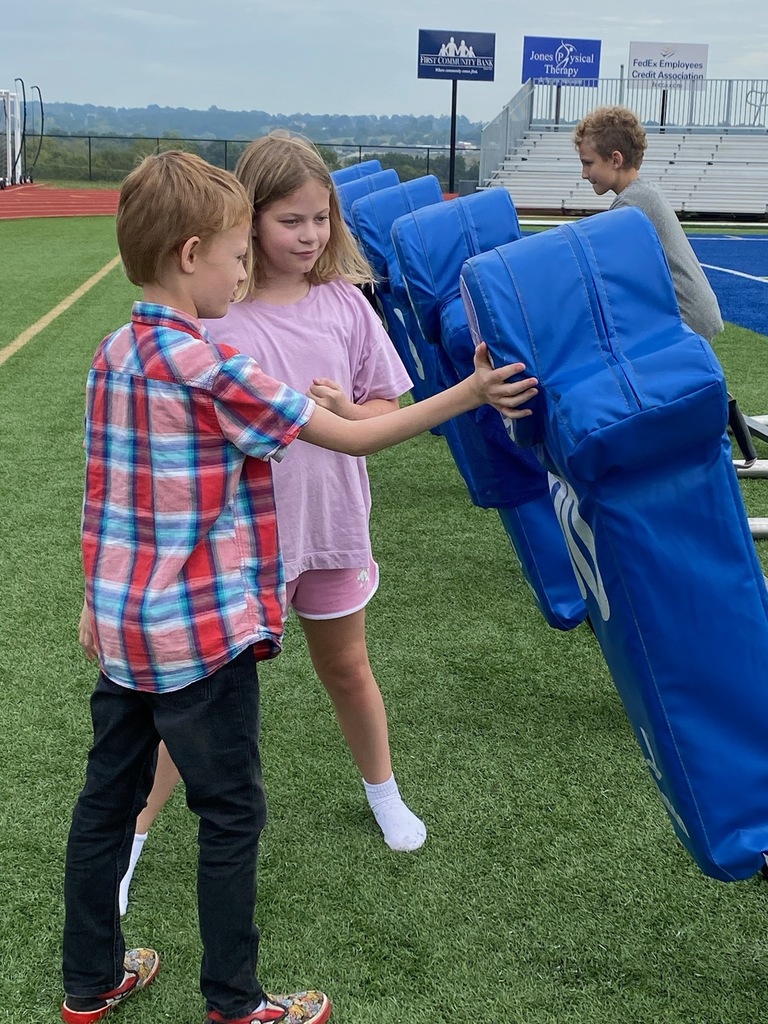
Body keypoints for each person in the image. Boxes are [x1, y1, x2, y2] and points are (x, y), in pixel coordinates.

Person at [64, 149, 538, 1024]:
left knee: (102, 800)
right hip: (207, 623)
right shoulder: (212, 362)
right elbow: (356, 438)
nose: (248, 268)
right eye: (241, 252)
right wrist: (471, 390)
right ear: (194, 252)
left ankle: (89, 984)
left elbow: (105, 489)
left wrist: (95, 599)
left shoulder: (111, 352)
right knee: (234, 815)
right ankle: (238, 1004)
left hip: (128, 625)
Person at [118, 132, 430, 916]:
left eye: (321, 219)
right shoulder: (212, 314)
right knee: (201, 699)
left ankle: (383, 790)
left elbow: (382, 409)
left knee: (348, 668)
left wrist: (346, 410)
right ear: (247, 222)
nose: (310, 236)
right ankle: (132, 834)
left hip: (331, 526)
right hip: (238, 546)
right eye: (291, 220)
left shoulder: (345, 304)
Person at [573, 105, 724, 343]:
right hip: (693, 314)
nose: (583, 173)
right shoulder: (643, 193)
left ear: (615, 159)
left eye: (588, 163)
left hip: (686, 319)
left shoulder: (632, 204)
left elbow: (597, 263)